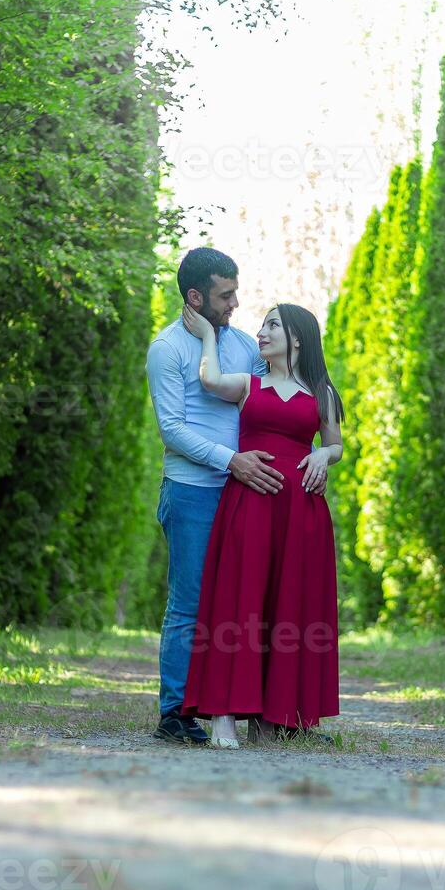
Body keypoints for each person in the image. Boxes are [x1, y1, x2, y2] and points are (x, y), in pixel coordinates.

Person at [146, 248, 327, 747]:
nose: (235, 303)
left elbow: (279, 399)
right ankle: (177, 713)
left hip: (250, 491)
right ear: (196, 297)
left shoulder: (246, 345)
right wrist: (231, 460)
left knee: (253, 602)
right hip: (193, 489)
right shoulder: (167, 349)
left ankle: (270, 712)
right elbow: (172, 429)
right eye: (226, 295)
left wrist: (315, 456)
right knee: (190, 603)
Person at [179, 301, 343, 749]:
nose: (262, 332)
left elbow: (336, 446)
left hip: (300, 514)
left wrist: (321, 456)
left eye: (272, 325)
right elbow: (208, 379)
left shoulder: (322, 393)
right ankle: (223, 716)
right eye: (263, 325)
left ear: (296, 338)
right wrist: (209, 338)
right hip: (250, 505)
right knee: (239, 602)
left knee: (286, 608)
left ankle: (271, 717)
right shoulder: (249, 385)